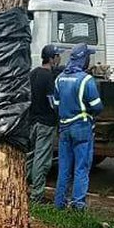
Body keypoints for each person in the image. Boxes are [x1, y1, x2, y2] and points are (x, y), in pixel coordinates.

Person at [53, 43, 104, 210]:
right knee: (81, 168)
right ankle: (78, 205)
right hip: (81, 128)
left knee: (64, 167)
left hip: (64, 128)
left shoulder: (60, 78)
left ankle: (59, 204)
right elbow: (97, 107)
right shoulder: (86, 80)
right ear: (84, 59)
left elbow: (56, 104)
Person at [27, 44, 64, 204]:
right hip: (45, 123)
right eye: (57, 56)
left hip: (31, 121)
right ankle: (37, 195)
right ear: (51, 58)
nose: (59, 58)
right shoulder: (49, 78)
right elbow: (52, 103)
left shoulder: (34, 73)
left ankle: (22, 188)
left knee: (30, 156)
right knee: (42, 160)